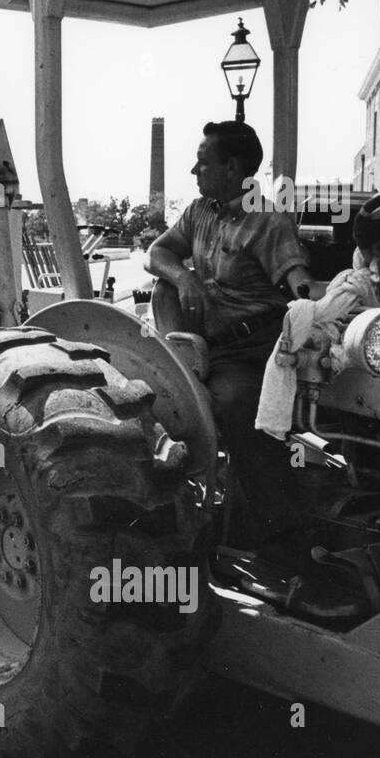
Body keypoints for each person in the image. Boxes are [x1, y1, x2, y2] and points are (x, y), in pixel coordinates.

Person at [145, 120, 312, 557]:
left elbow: (297, 283)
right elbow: (156, 254)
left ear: (232, 167)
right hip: (208, 345)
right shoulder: (199, 211)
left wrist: (315, 305)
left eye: (203, 163)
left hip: (253, 348)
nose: (193, 172)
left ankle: (284, 541)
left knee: (242, 409)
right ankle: (188, 518)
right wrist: (183, 277)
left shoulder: (269, 221)